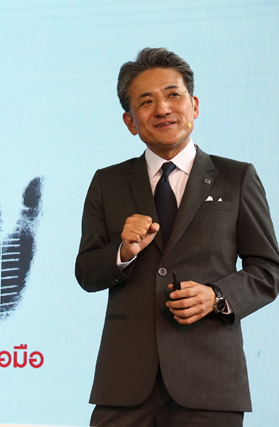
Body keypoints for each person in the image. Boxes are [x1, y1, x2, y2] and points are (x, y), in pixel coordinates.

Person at [75, 47, 279, 426]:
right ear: (130, 121)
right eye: (146, 101)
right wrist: (123, 252)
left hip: (210, 383)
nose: (163, 109)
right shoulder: (107, 182)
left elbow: (269, 271)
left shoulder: (237, 178)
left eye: (173, 95)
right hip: (123, 383)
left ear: (194, 105)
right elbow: (87, 272)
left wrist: (217, 297)